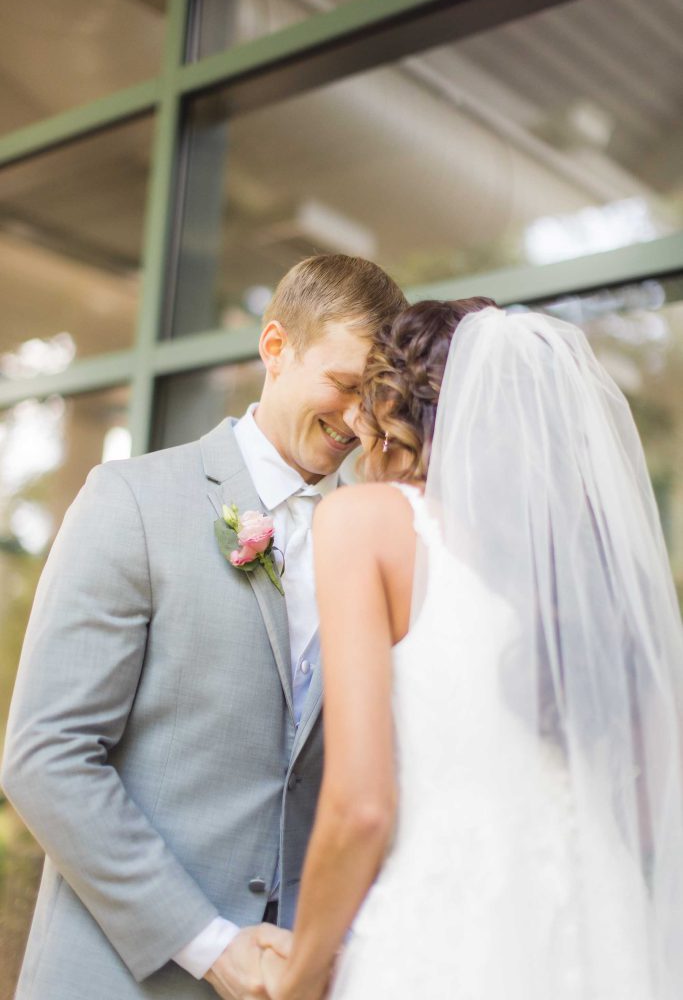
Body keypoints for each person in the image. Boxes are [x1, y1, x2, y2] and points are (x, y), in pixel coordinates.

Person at [0, 254, 407, 1000]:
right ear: (275, 347)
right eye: (345, 386)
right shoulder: (132, 501)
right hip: (120, 977)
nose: (358, 418)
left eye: (375, 396)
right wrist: (213, 946)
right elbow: (45, 756)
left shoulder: (387, 537)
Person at [261, 300, 683, 1000]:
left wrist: (299, 980)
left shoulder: (367, 522)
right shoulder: (598, 568)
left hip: (449, 932)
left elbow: (361, 806)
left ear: (399, 405)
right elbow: (649, 809)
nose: (359, 420)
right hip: (603, 928)